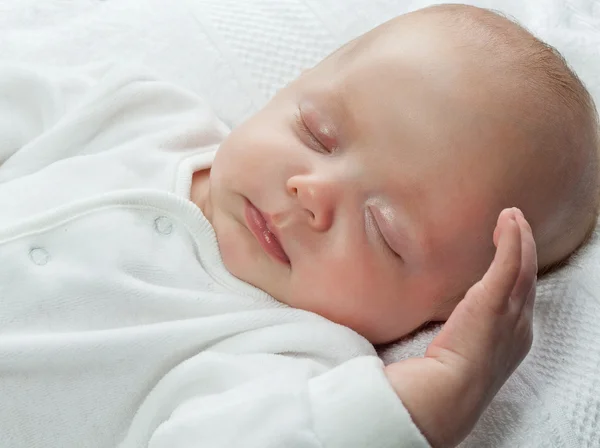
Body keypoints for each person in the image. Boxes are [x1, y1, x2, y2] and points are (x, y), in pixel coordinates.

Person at [0, 4, 597, 447]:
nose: (311, 194)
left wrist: (440, 393)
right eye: (316, 131)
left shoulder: (287, 361)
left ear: (444, 314)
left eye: (382, 230)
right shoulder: (144, 117)